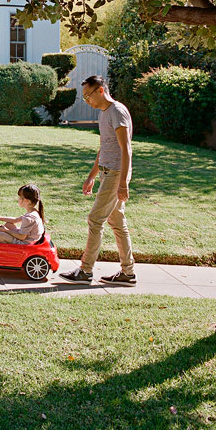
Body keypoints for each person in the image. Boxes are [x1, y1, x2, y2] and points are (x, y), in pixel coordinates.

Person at [60, 75, 136, 286]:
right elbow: (105, 147)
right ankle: (128, 273)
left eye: (88, 96)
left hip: (116, 173)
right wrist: (92, 176)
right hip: (106, 172)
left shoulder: (117, 111)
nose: (87, 101)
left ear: (100, 90)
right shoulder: (104, 114)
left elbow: (126, 149)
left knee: (95, 219)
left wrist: (123, 183)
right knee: (117, 223)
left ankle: (86, 270)